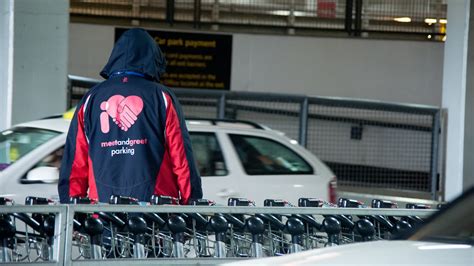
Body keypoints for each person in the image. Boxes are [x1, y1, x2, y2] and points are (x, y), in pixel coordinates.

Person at [58, 28, 202, 204]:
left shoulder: (90, 99)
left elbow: (75, 163)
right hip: (156, 213)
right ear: (152, 58)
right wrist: (192, 203)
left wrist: (71, 210)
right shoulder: (161, 97)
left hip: (103, 213)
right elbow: (182, 160)